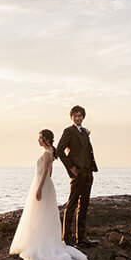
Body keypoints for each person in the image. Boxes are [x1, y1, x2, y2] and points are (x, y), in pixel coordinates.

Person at [9, 129, 89, 260]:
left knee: (39, 213)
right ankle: (43, 237)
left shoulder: (47, 153)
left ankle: (40, 240)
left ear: (46, 139)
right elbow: (50, 172)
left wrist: (39, 188)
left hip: (42, 183)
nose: (38, 141)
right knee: (43, 213)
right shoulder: (52, 151)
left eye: (40, 138)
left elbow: (46, 172)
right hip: (46, 184)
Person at [55, 105, 99, 247]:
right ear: (72, 117)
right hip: (77, 173)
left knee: (84, 204)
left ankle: (81, 238)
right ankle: (66, 238)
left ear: (83, 117)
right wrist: (71, 168)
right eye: (75, 116)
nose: (78, 118)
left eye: (80, 116)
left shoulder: (85, 132)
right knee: (72, 204)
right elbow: (60, 150)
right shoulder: (69, 131)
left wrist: (90, 169)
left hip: (88, 172)